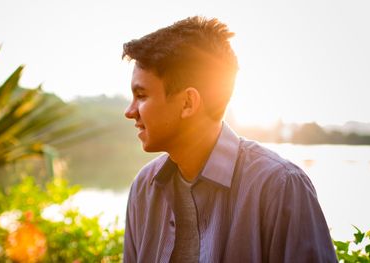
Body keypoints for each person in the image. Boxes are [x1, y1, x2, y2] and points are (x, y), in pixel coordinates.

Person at [121, 16, 337, 263]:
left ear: (188, 103)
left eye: (141, 95)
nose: (130, 111)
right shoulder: (145, 188)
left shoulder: (280, 187)